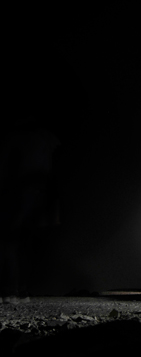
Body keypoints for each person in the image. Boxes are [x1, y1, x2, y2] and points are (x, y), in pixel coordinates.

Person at [1, 117, 60, 304]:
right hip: (36, 195)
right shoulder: (46, 142)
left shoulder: (18, 138)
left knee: (10, 242)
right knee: (22, 244)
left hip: (22, 193)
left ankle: (11, 290)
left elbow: (6, 169)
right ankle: (20, 290)